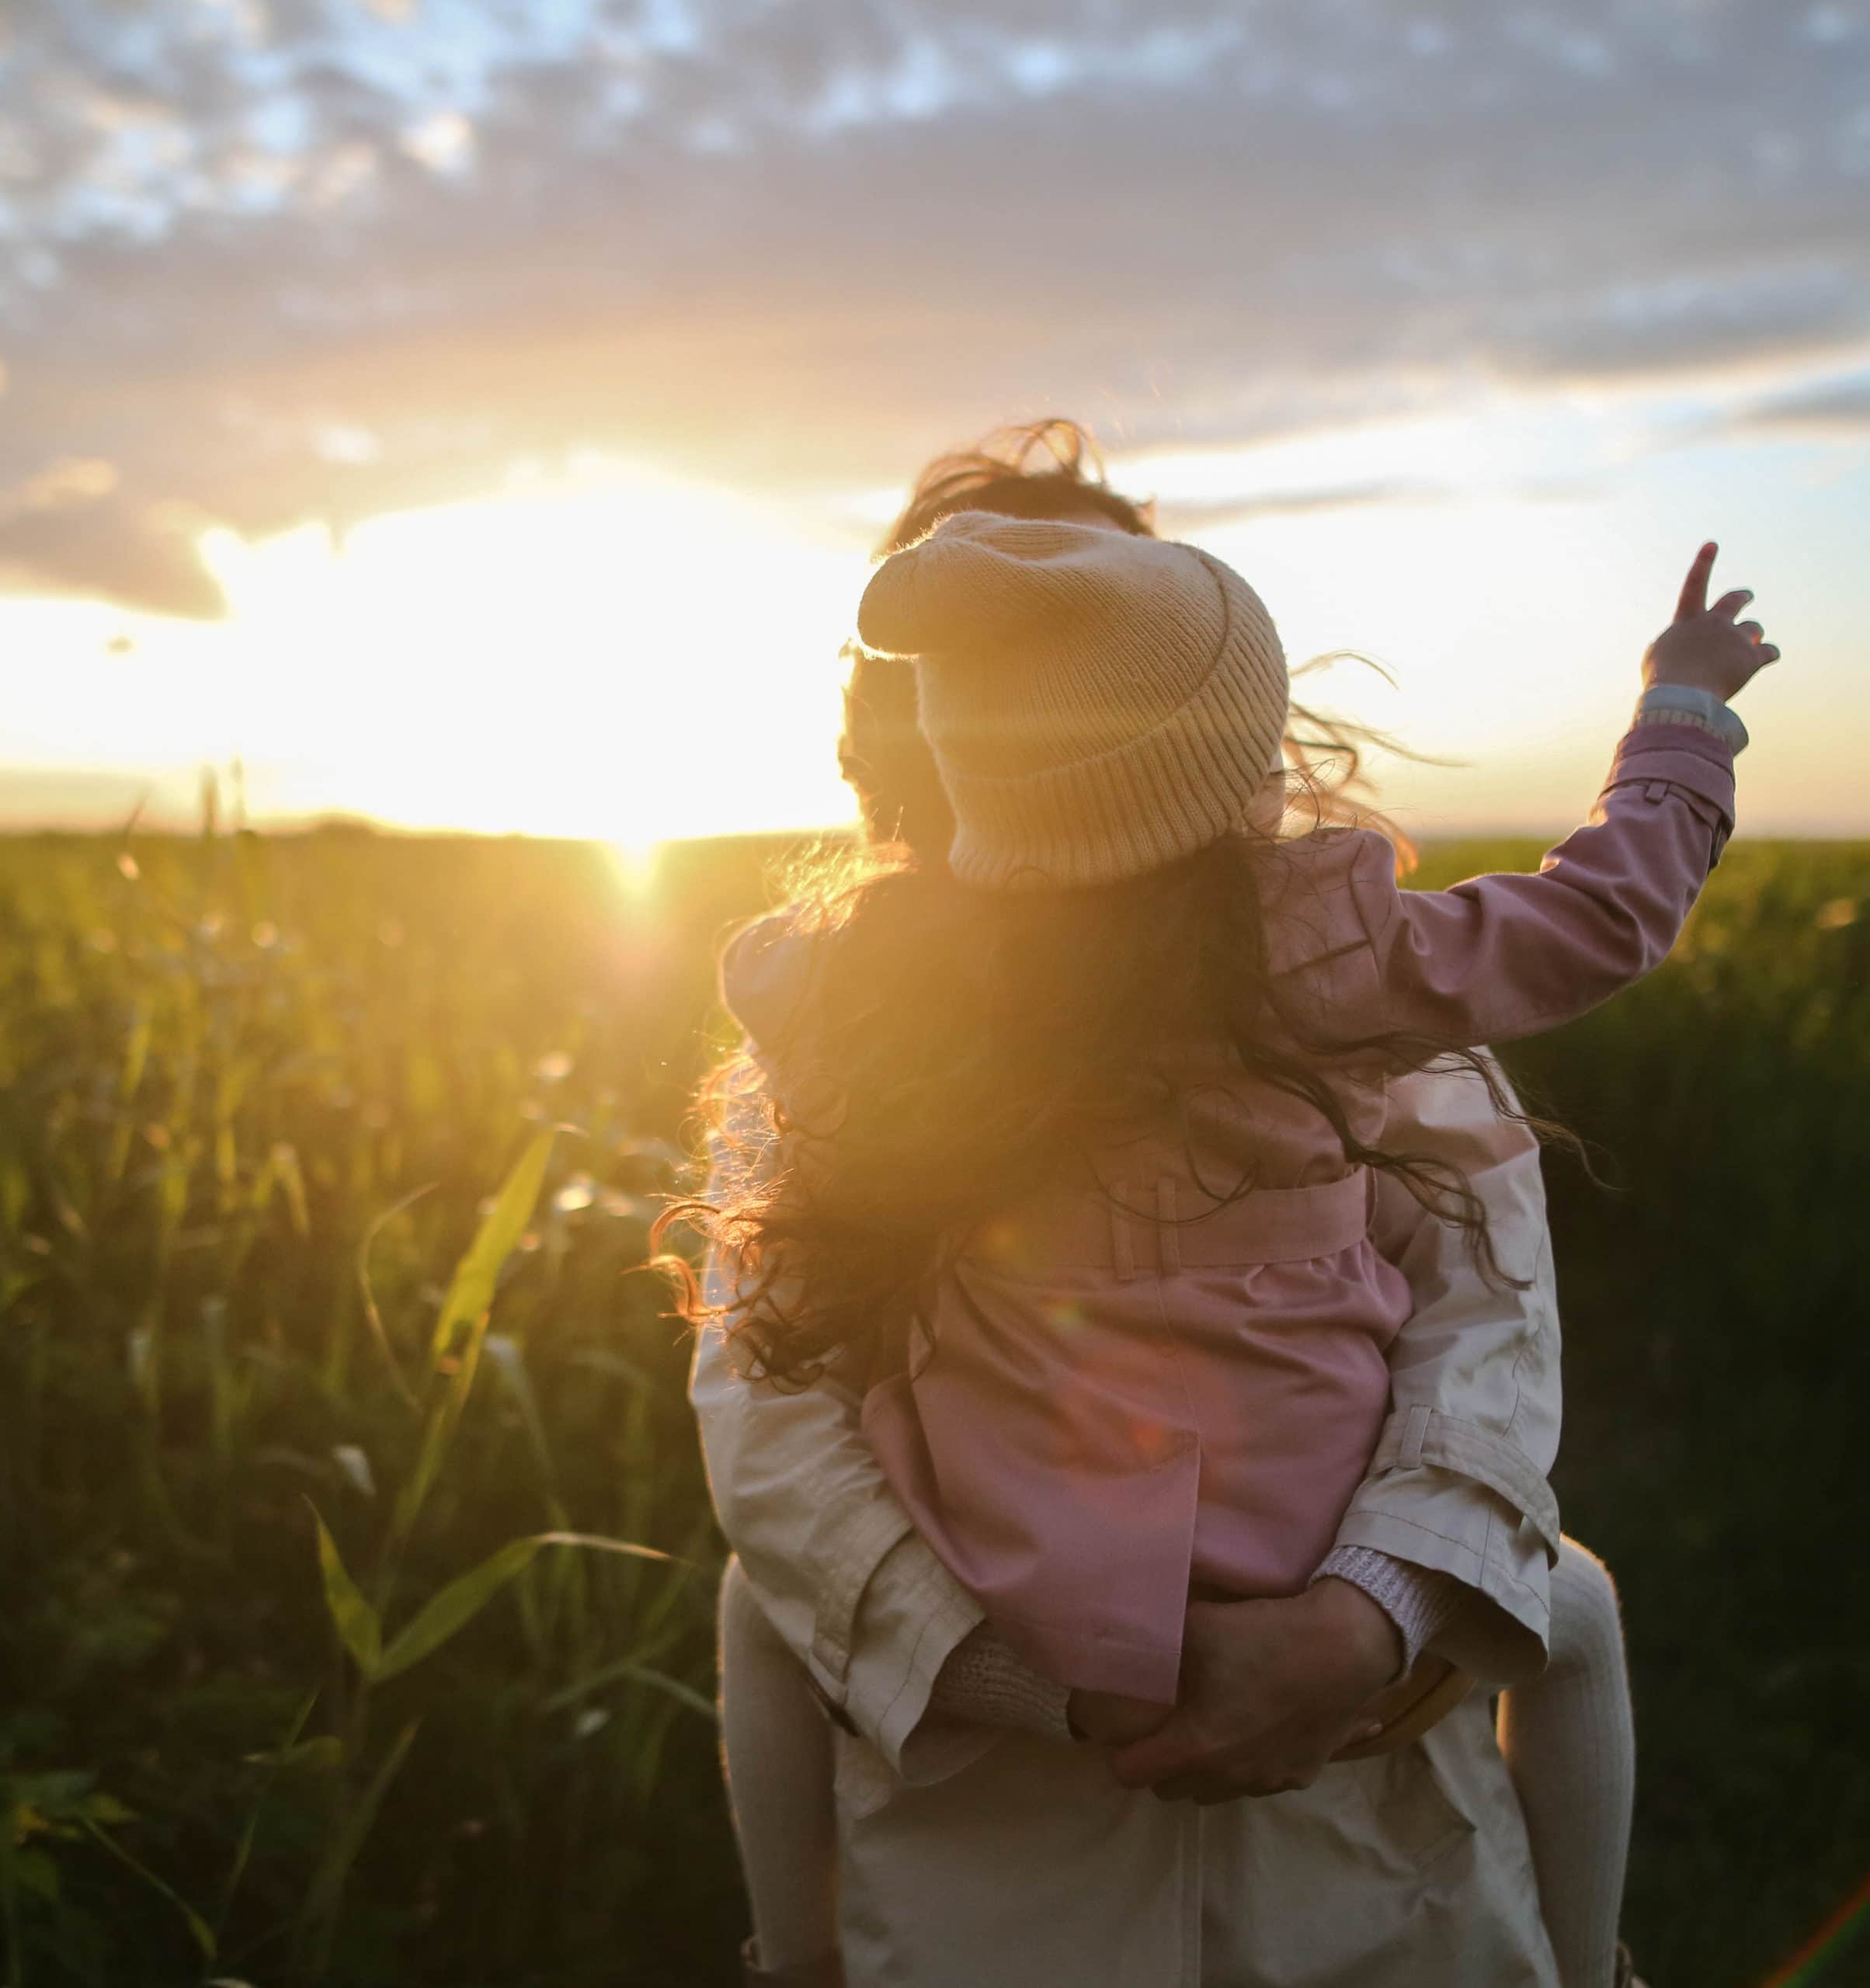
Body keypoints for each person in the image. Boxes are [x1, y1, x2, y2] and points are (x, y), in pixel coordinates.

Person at [672, 426, 1767, 1986]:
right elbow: (769, 1413)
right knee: (1569, 1600)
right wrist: (1679, 719)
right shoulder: (1335, 965)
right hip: (989, 1835)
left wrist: (1360, 1620)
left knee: (756, 1614)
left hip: (1365, 1826)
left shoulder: (853, 992)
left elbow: (1483, 1323)